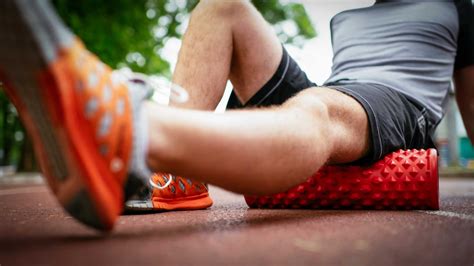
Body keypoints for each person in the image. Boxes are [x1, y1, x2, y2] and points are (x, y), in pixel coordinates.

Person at [0, 0, 472, 231]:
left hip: (399, 107)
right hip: (342, 92)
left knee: (317, 108)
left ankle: (129, 128)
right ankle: (173, 177)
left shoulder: (458, 7)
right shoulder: (352, 15)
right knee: (221, 6)